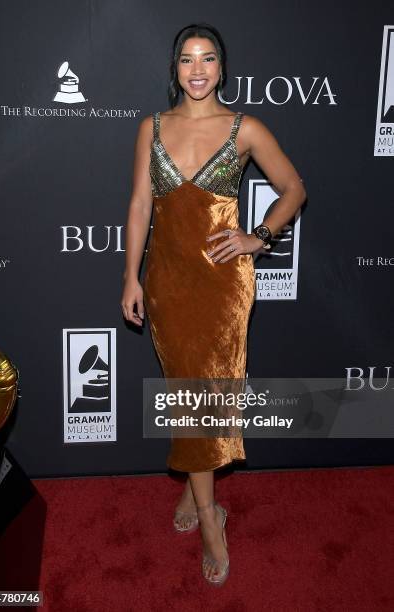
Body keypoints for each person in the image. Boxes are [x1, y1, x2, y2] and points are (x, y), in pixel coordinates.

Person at [121, 22, 307, 586]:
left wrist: (259, 236)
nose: (197, 69)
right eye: (186, 59)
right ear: (174, 69)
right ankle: (203, 503)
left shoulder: (244, 128)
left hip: (223, 286)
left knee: (203, 396)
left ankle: (205, 513)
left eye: (207, 59)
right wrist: (131, 276)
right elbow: (138, 205)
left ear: (222, 69)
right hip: (169, 285)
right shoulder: (150, 128)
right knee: (191, 395)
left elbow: (293, 188)